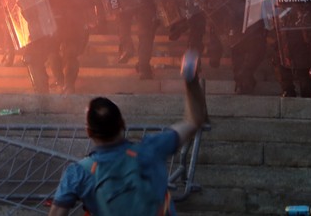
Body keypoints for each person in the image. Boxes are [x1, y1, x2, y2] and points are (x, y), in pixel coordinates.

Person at [48, 53, 209, 216]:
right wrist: (190, 81)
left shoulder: (77, 173)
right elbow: (193, 121)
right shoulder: (152, 148)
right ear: (123, 124)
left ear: (88, 131)